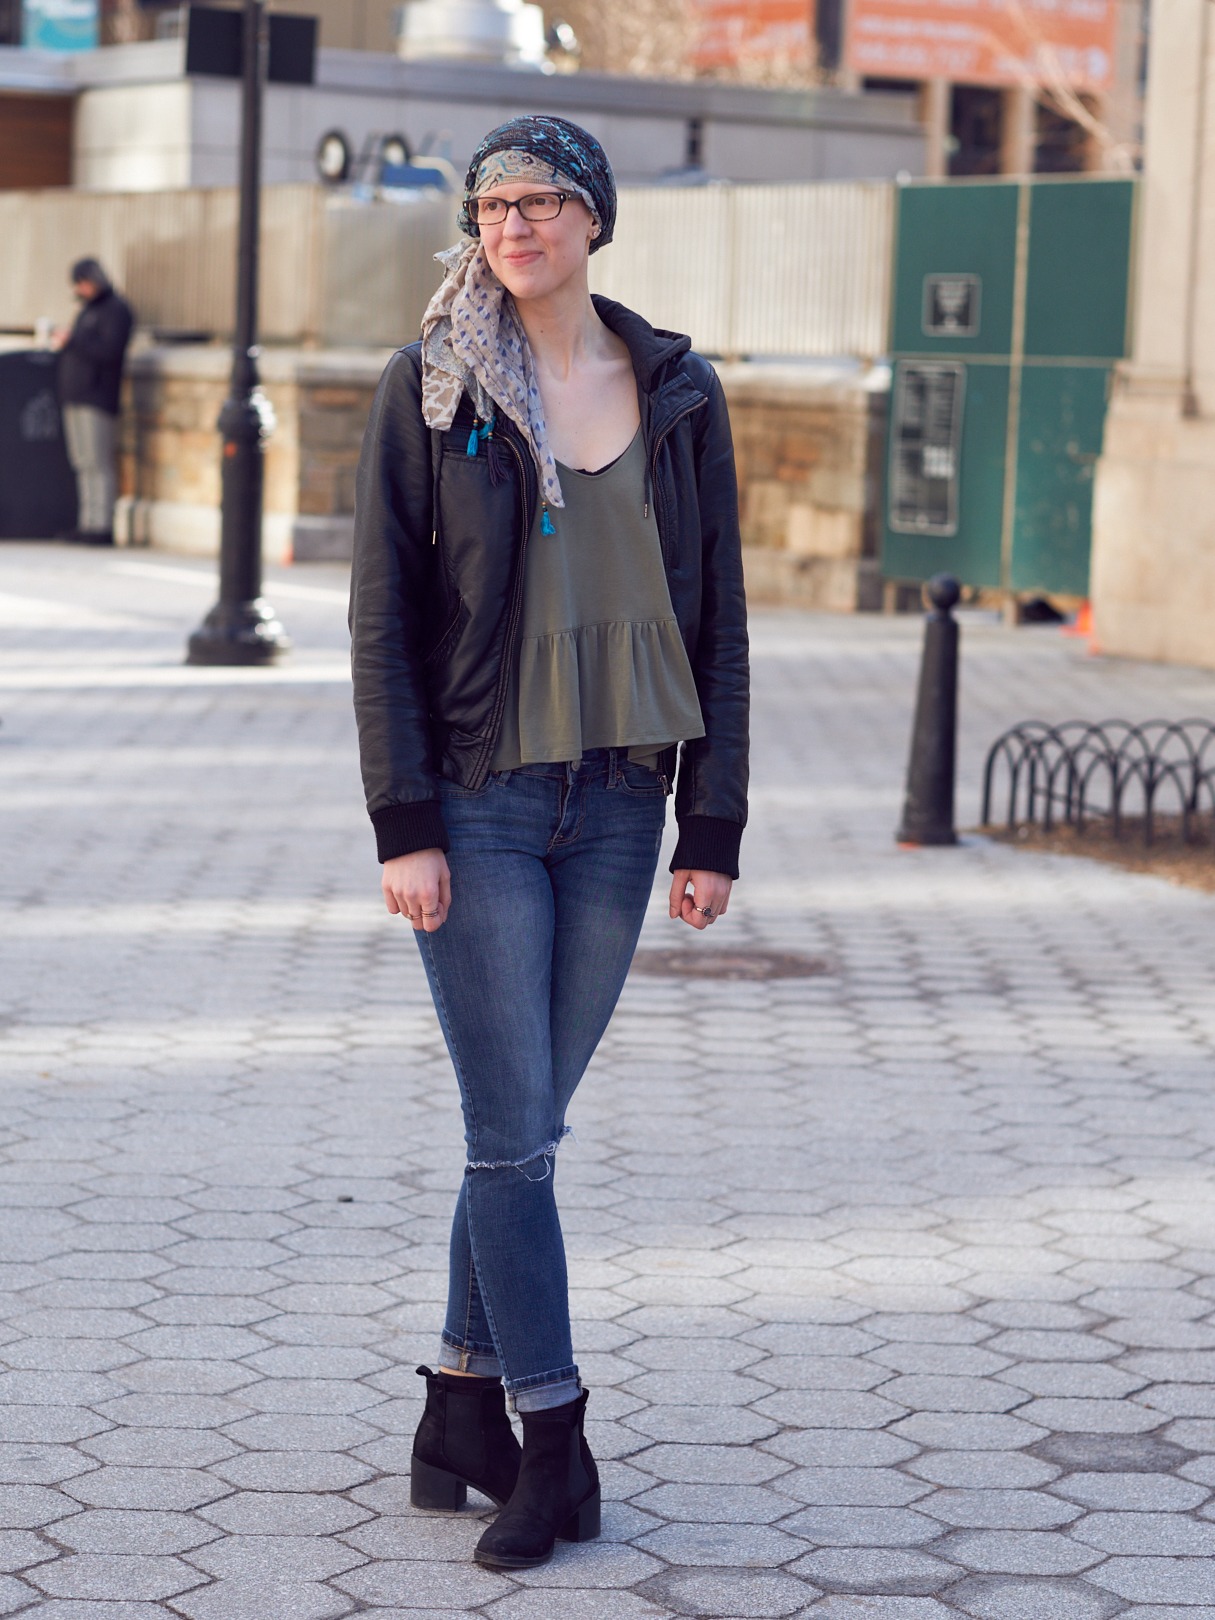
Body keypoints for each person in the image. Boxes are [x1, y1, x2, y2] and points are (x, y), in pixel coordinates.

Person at [349, 115, 749, 1571]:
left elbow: (719, 618)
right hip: (481, 801)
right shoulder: (436, 384)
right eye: (492, 204)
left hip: (624, 805)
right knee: (509, 1141)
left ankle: (453, 1407)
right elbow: (382, 617)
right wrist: (404, 822)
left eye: (540, 201)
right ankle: (552, 1435)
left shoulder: (678, 392)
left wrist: (713, 814)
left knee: (521, 1130)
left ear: (593, 221)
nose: (512, 224)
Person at [52, 257, 134, 546]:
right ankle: (87, 522)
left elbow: (110, 351)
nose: (80, 289)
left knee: (98, 462)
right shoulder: (87, 310)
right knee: (83, 462)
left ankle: (101, 525)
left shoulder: (116, 310)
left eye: (83, 282)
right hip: (75, 395)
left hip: (98, 396)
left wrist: (73, 341)